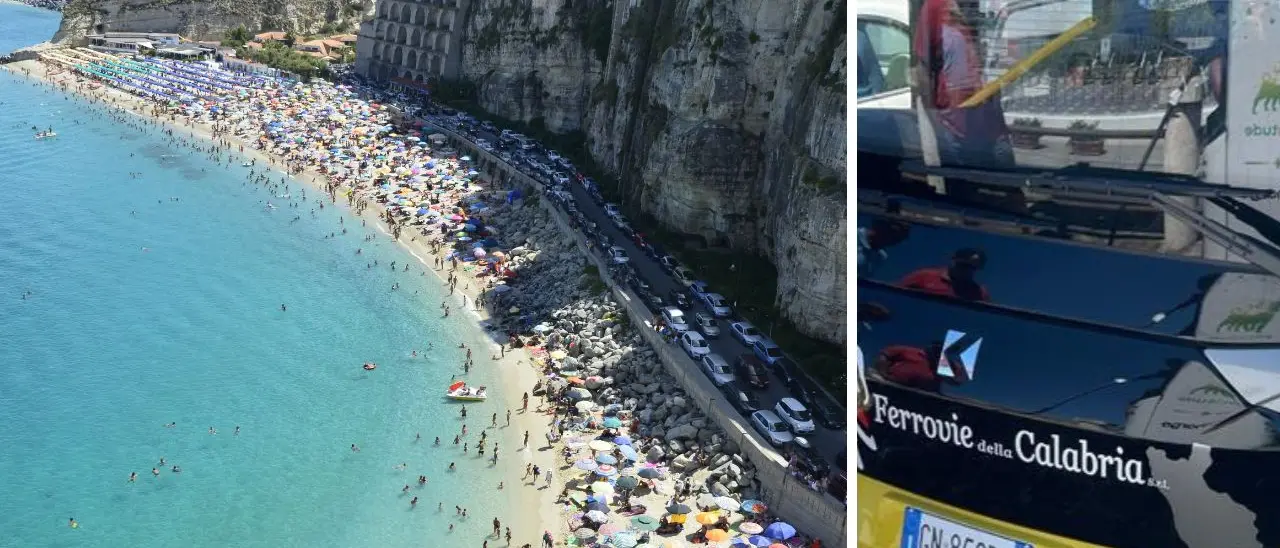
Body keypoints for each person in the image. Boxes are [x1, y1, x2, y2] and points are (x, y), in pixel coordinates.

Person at [899, 248, 989, 301]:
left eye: (973, 268)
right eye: (964, 265)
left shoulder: (979, 292)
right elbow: (896, 295)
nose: (968, 270)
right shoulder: (924, 276)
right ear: (953, 261)